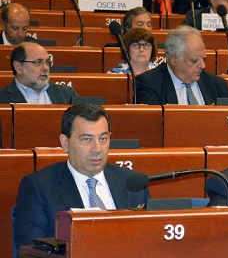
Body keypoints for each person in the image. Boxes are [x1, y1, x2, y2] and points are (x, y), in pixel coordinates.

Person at [13, 104, 151, 249]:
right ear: (65, 143)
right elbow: (31, 251)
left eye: (103, 139)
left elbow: (150, 242)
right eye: (86, 139)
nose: (97, 149)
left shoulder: (133, 183)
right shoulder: (39, 186)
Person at [134, 25, 228, 105]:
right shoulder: (149, 84)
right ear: (173, 59)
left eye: (203, 58)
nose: (203, 65)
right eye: (194, 61)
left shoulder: (219, 85)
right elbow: (154, 125)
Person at [0, 42, 78, 103]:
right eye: (38, 62)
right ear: (19, 67)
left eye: (47, 62)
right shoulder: (2, 98)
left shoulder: (67, 94)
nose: (45, 68)